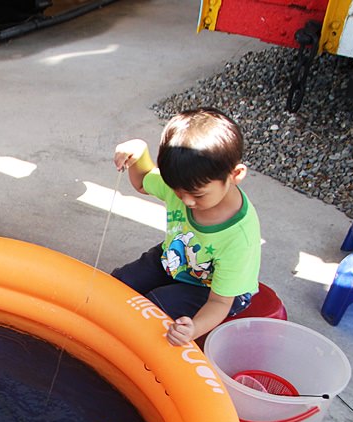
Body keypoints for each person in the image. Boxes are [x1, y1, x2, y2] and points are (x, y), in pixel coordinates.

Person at [111, 107, 261, 346]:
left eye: (197, 195)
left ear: (235, 174)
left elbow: (219, 303)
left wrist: (194, 329)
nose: (187, 202)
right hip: (175, 259)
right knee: (117, 285)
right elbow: (143, 181)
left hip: (215, 291)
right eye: (179, 193)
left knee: (153, 309)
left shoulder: (239, 238)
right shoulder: (183, 187)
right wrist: (138, 153)